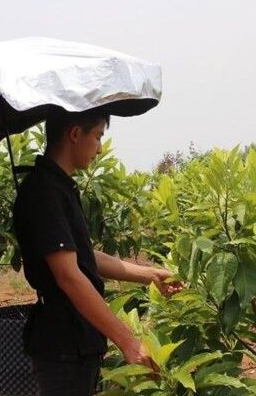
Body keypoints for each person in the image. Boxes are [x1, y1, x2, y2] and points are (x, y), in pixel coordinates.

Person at [12, 106, 183, 396]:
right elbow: (69, 276)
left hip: (75, 337)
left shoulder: (58, 185)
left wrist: (152, 275)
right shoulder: (44, 192)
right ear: (75, 134)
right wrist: (127, 341)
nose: (100, 149)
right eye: (98, 137)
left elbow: (83, 257)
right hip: (64, 343)